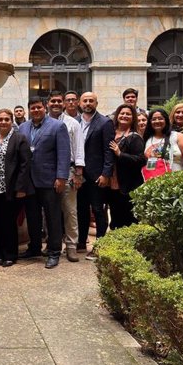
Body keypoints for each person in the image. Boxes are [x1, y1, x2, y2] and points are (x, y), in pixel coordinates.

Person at [18, 97, 71, 269]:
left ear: (45, 107)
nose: (36, 110)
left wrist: (61, 177)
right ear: (29, 110)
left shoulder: (57, 126)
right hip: (29, 181)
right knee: (32, 217)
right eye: (33, 108)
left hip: (50, 180)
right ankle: (34, 247)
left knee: (53, 217)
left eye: (39, 107)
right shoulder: (23, 127)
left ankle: (54, 251)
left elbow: (64, 153)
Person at [0, 109, 32, 267]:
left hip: (10, 189)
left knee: (9, 222)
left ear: (11, 121)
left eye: (6, 119)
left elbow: (25, 165)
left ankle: (10, 254)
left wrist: (21, 188)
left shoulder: (19, 138)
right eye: (0, 119)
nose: (3, 122)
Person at [76, 92, 114, 259]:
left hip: (97, 175)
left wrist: (106, 173)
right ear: (80, 103)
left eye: (91, 101)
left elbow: (108, 151)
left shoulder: (105, 123)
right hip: (79, 175)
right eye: (85, 101)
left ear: (96, 103)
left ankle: (100, 244)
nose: (88, 103)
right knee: (81, 210)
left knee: (98, 210)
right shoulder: (75, 122)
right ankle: (81, 242)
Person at [48, 91, 85, 262]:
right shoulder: (42, 122)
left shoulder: (72, 123)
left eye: (58, 101)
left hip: (68, 171)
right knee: (48, 211)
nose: (55, 104)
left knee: (70, 210)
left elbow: (78, 149)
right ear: (47, 103)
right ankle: (51, 243)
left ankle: (71, 246)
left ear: (63, 104)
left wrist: (78, 173)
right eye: (52, 101)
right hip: (47, 171)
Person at [107, 104, 145, 229]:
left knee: (128, 219)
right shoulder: (110, 133)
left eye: (128, 114)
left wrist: (120, 154)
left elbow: (141, 160)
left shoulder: (135, 137)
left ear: (133, 118)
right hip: (111, 183)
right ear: (117, 115)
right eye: (122, 113)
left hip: (128, 185)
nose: (124, 116)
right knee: (115, 217)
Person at [144, 108, 183, 173]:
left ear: (166, 120)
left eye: (160, 118)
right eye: (154, 119)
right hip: (153, 180)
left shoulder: (177, 136)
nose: (157, 121)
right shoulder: (147, 139)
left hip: (177, 179)